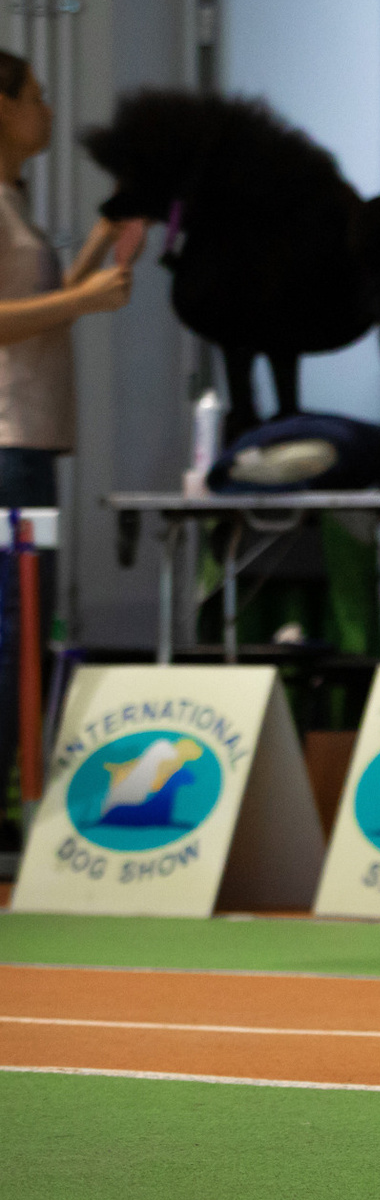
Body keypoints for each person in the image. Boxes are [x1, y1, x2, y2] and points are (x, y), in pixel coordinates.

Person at [0, 50, 141, 833]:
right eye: (36, 97)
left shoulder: (12, 200)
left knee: (26, 624)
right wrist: (84, 296)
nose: (48, 111)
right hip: (7, 439)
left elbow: (39, 309)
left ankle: (18, 795)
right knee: (10, 625)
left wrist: (98, 252)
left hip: (30, 435)